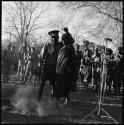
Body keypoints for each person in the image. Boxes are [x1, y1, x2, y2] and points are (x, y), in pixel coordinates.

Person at [38, 30, 63, 101]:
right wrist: (40, 68)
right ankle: (38, 101)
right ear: (51, 37)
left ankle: (53, 102)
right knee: (42, 84)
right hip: (46, 67)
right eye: (53, 37)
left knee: (54, 85)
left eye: (56, 37)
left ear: (58, 37)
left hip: (54, 68)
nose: (55, 38)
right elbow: (41, 57)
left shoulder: (60, 45)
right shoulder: (46, 45)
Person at [53, 32, 77, 105]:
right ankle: (66, 99)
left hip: (66, 71)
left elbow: (73, 60)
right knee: (61, 86)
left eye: (64, 39)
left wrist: (71, 69)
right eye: (62, 39)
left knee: (62, 86)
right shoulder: (62, 47)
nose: (62, 41)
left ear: (67, 40)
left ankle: (57, 101)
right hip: (59, 70)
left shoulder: (70, 48)